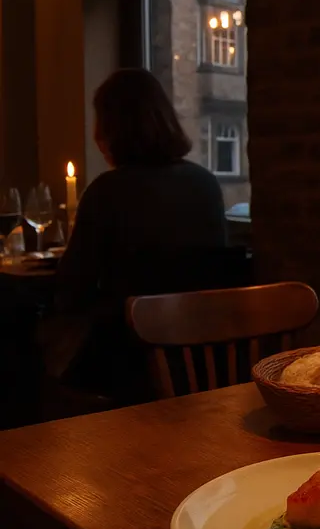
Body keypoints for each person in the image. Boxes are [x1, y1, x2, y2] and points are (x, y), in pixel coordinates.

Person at [47, 68, 230, 404]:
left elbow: (71, 292)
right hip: (202, 359)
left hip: (127, 366)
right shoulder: (206, 185)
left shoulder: (106, 192)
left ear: (111, 128)